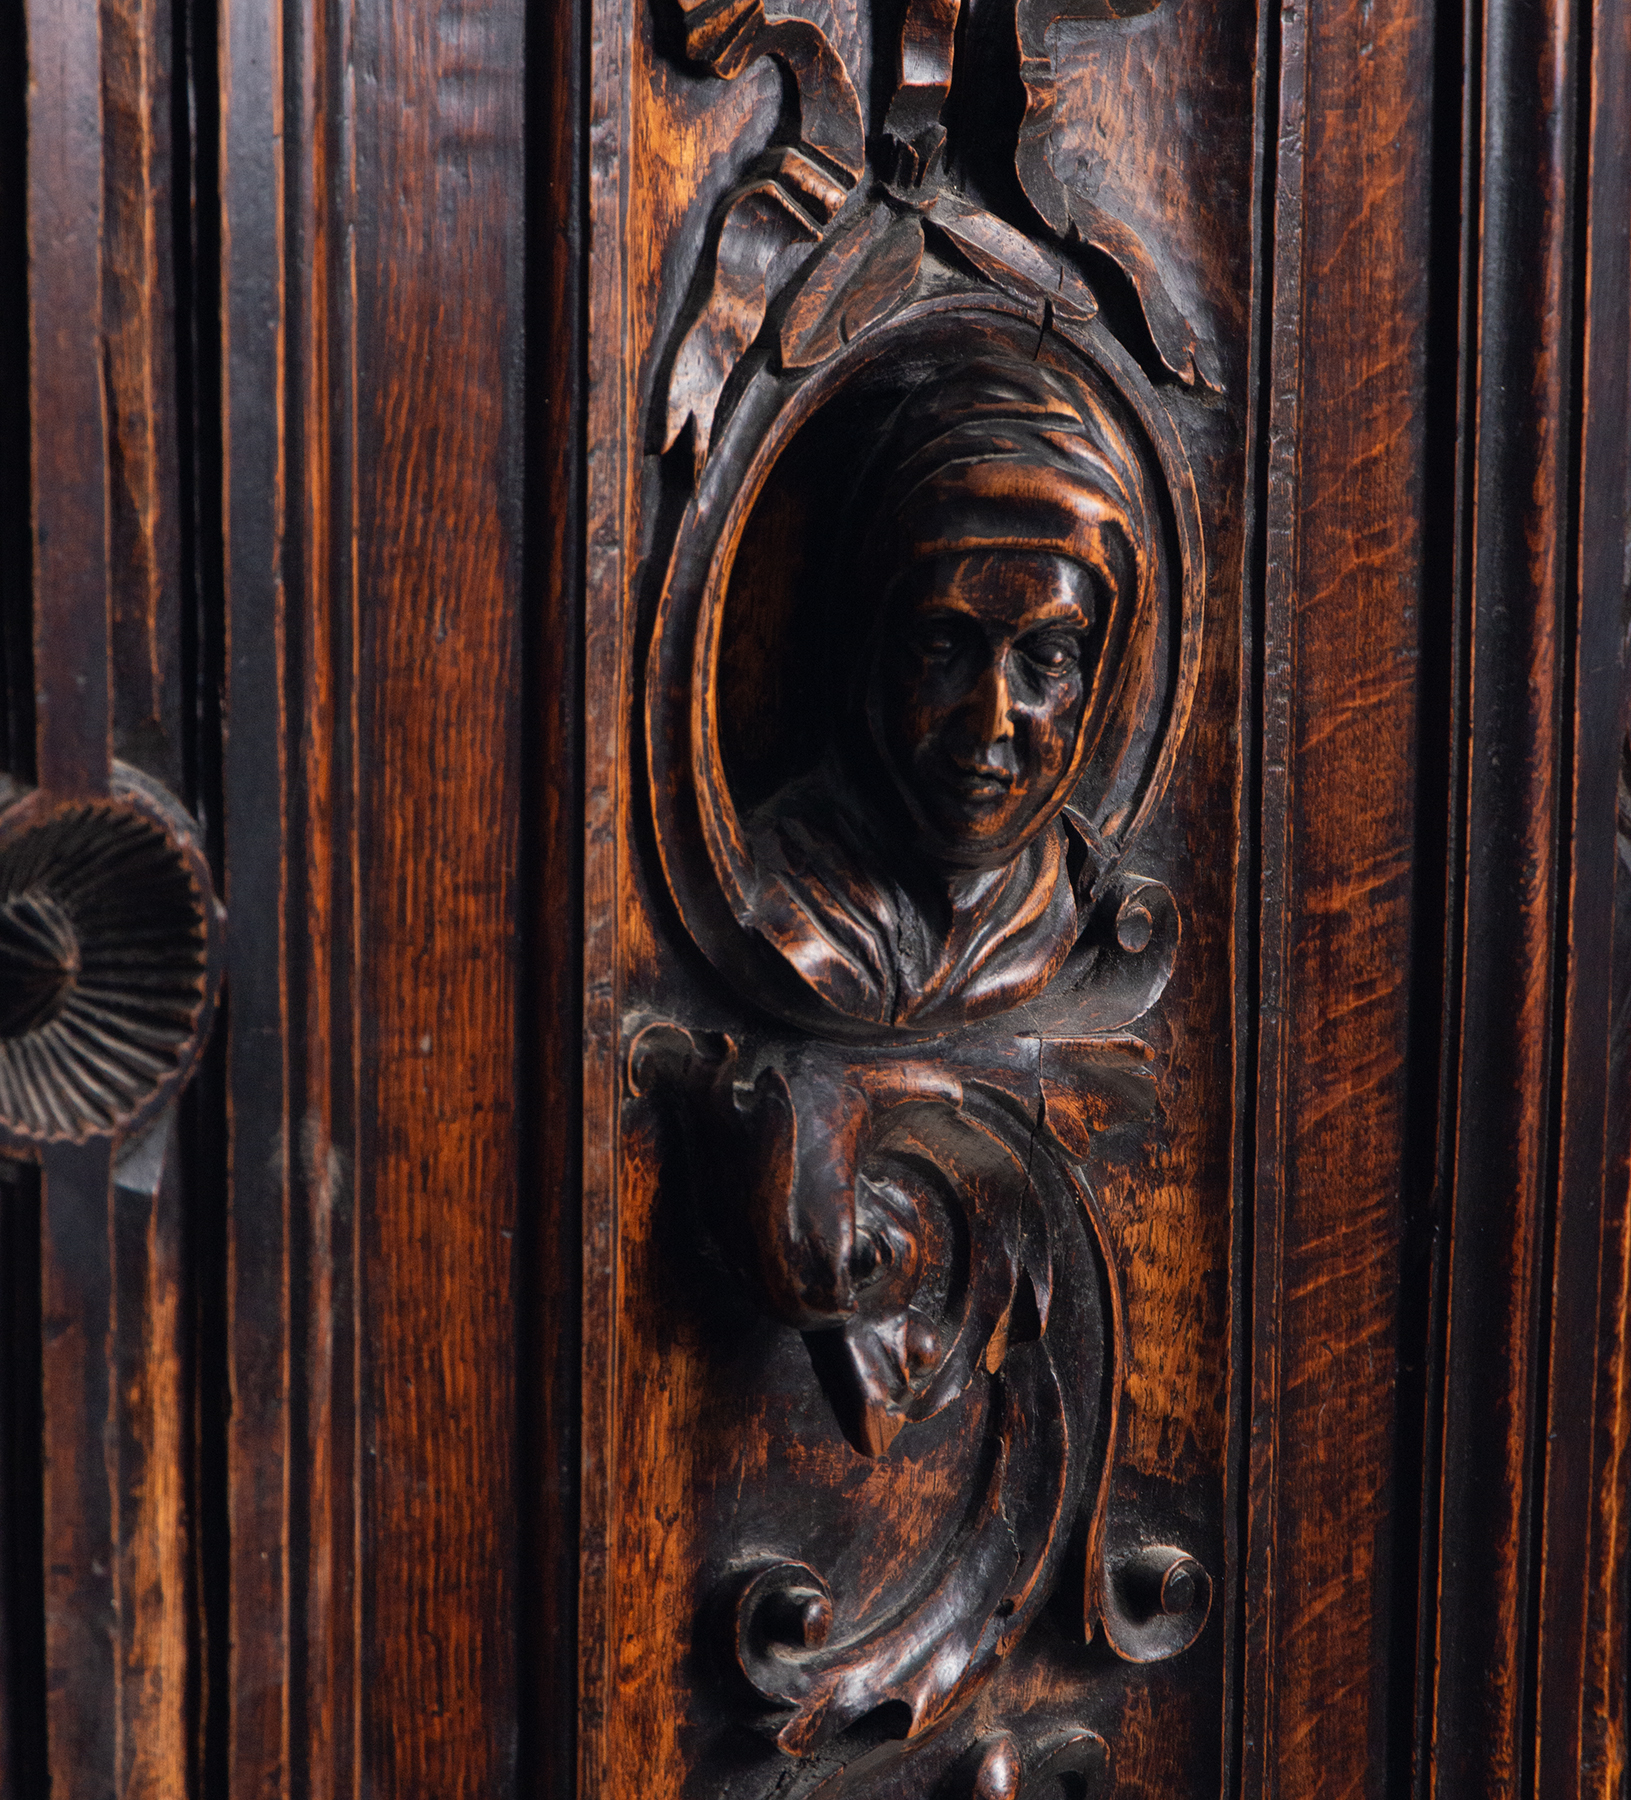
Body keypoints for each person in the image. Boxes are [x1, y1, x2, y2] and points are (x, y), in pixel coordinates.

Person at [744, 351, 1158, 1031]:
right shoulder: (780, 887)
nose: (990, 718)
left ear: (1102, 677)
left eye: (1046, 657)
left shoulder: (1084, 903)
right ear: (871, 641)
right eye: (943, 643)